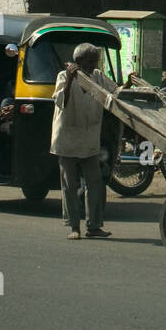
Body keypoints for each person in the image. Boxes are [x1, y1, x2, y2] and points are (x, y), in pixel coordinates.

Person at [51, 42, 129, 240]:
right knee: (70, 185)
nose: (94, 64)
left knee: (95, 182)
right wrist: (70, 79)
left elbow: (116, 93)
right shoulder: (63, 76)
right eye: (91, 61)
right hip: (67, 138)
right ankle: (74, 227)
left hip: (89, 137)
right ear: (79, 61)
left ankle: (94, 225)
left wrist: (128, 83)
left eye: (95, 61)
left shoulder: (99, 77)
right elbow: (62, 101)